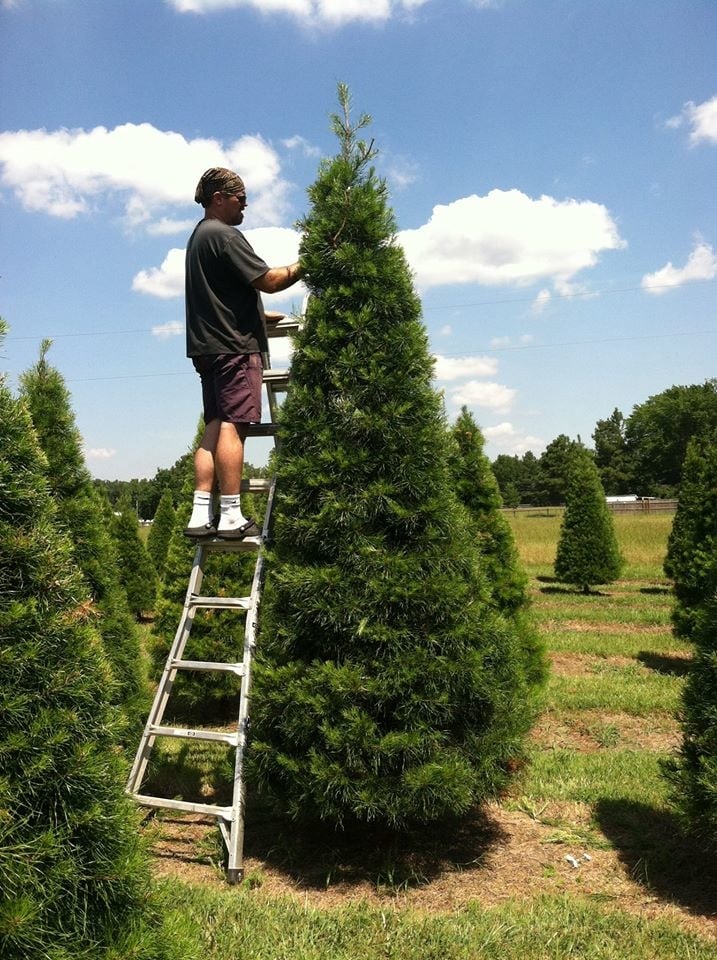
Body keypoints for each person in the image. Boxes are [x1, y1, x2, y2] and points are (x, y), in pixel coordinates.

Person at [184, 166, 303, 540]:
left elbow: (218, 294)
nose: (245, 207)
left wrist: (254, 313)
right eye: (240, 199)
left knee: (216, 424)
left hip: (208, 346)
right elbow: (269, 280)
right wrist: (308, 262)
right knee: (236, 426)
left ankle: (200, 514)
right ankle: (232, 515)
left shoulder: (199, 238)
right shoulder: (225, 235)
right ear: (218, 198)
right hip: (234, 347)